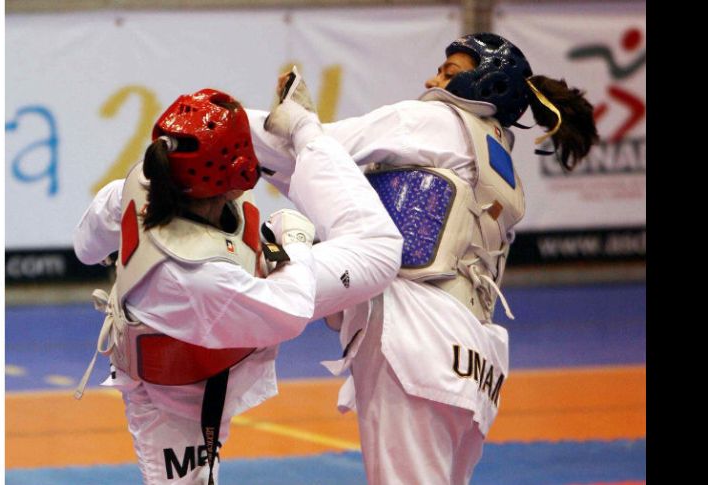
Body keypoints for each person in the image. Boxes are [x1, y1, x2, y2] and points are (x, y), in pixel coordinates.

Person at [247, 32, 599, 485]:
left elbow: (313, 148)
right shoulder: (497, 154)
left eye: (449, 72)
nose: (433, 78)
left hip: (415, 334)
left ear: (486, 86)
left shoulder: (436, 119)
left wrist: (215, 127)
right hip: (473, 356)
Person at [73, 87, 402, 484]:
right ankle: (306, 138)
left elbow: (85, 248)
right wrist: (293, 241)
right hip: (183, 382)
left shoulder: (138, 183)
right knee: (378, 253)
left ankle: (304, 138)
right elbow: (291, 309)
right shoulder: (195, 274)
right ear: (238, 173)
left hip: (210, 336)